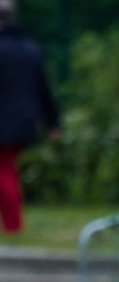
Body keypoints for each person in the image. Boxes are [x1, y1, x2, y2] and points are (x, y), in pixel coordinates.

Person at [0, 0, 60, 234]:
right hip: (24, 121)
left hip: (3, 122)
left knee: (4, 171)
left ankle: (14, 225)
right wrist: (53, 122)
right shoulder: (30, 48)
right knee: (7, 169)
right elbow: (44, 88)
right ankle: (13, 224)